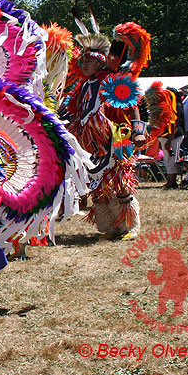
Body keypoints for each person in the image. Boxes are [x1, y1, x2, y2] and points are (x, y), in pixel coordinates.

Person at [63, 12, 149, 239]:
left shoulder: (111, 80)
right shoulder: (82, 86)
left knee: (119, 183)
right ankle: (109, 227)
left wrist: (139, 131)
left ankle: (129, 227)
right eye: (83, 61)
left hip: (114, 138)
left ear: (100, 62)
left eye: (89, 61)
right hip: (89, 142)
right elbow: (75, 113)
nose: (84, 64)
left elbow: (132, 106)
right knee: (97, 186)